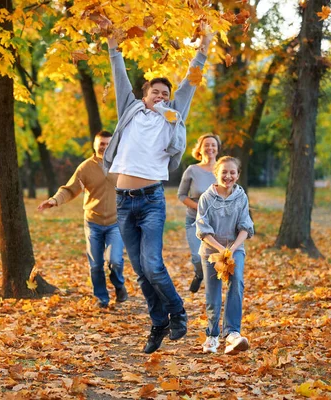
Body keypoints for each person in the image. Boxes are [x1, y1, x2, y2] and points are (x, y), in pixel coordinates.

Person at [103, 30, 214, 353]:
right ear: (145, 94)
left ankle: (178, 312)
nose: (161, 96)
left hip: (151, 201)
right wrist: (113, 44)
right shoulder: (131, 109)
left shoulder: (173, 116)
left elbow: (190, 82)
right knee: (140, 272)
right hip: (123, 203)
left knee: (152, 264)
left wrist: (204, 50)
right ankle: (158, 323)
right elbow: (119, 73)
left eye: (165, 93)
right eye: (156, 92)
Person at [38, 131, 128, 308]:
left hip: (115, 223)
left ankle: (119, 286)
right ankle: (101, 298)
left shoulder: (122, 165)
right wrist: (54, 200)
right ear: (94, 145)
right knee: (95, 265)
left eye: (108, 144)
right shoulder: (85, 167)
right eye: (101, 143)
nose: (105, 147)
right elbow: (70, 189)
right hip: (93, 222)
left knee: (115, 261)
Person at [195, 156, 254, 355]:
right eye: (224, 172)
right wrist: (220, 249)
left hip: (234, 249)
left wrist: (233, 248)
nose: (228, 176)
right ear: (216, 173)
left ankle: (232, 334)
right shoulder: (206, 198)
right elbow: (202, 229)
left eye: (232, 172)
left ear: (237, 175)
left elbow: (245, 226)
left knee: (236, 283)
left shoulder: (241, 197)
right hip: (212, 251)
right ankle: (212, 335)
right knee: (213, 293)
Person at [177, 134, 221, 293]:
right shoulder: (192, 170)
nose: (210, 148)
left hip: (218, 222)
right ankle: (199, 274)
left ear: (217, 149)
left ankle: (213, 294)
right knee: (197, 257)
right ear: (200, 149)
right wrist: (200, 207)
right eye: (207, 145)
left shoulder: (222, 169)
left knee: (217, 259)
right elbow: (181, 195)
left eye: (213, 145)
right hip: (194, 220)